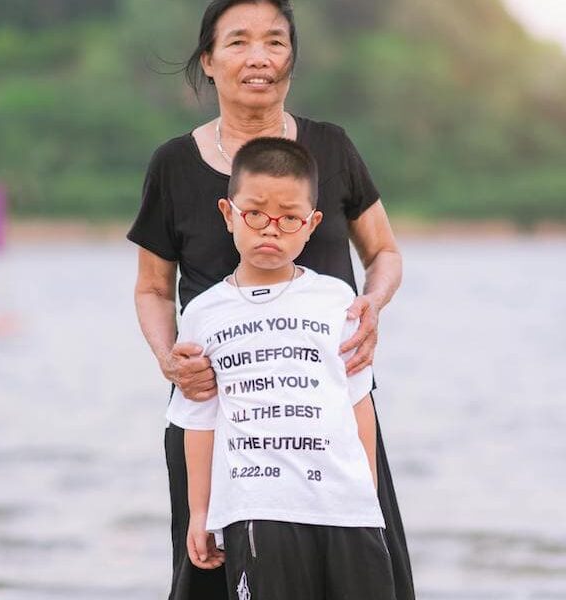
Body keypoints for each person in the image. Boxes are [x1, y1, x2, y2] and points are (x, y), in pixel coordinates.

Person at [128, 1, 414, 598]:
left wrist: (373, 307)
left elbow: (384, 254)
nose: (258, 57)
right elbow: (154, 288)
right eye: (238, 42)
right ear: (208, 60)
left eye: (275, 42)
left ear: (291, 58)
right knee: (213, 572)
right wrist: (168, 358)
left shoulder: (331, 149)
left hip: (329, 418)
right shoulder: (173, 165)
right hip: (221, 419)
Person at [168, 137, 396, 599]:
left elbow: (358, 404)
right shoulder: (203, 313)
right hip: (257, 508)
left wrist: (367, 493)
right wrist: (200, 512)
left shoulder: (337, 302)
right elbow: (200, 420)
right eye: (255, 214)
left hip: (344, 507)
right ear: (228, 213)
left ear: (311, 225)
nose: (271, 230)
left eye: (289, 218)